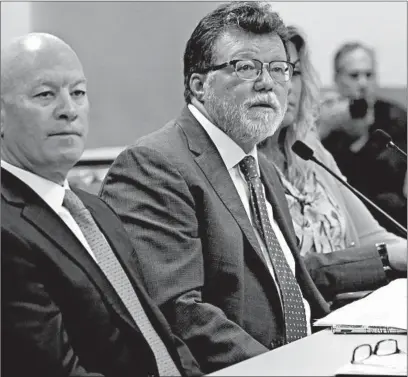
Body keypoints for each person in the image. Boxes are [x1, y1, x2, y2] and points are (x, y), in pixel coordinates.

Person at [100, 2, 331, 373]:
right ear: (199, 85)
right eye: (245, 67)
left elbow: (285, 274)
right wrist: (287, 368)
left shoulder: (259, 167)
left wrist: (385, 261)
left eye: (278, 69)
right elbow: (179, 312)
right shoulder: (154, 164)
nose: (267, 83)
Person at [1, 33, 202, 377]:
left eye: (78, 93)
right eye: (45, 94)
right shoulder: (7, 229)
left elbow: (156, 332)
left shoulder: (97, 212)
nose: (68, 110)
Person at [258, 26, 407, 301]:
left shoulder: (310, 150)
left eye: (296, 72)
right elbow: (288, 273)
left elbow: (369, 234)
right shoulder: (248, 165)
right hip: (312, 316)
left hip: (364, 302)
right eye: (276, 71)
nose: (288, 84)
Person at [317, 42, 407, 230]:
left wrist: (362, 139)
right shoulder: (326, 121)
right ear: (337, 79)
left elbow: (393, 174)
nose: (363, 83)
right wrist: (323, 128)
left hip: (391, 219)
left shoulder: (396, 118)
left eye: (369, 75)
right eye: (354, 75)